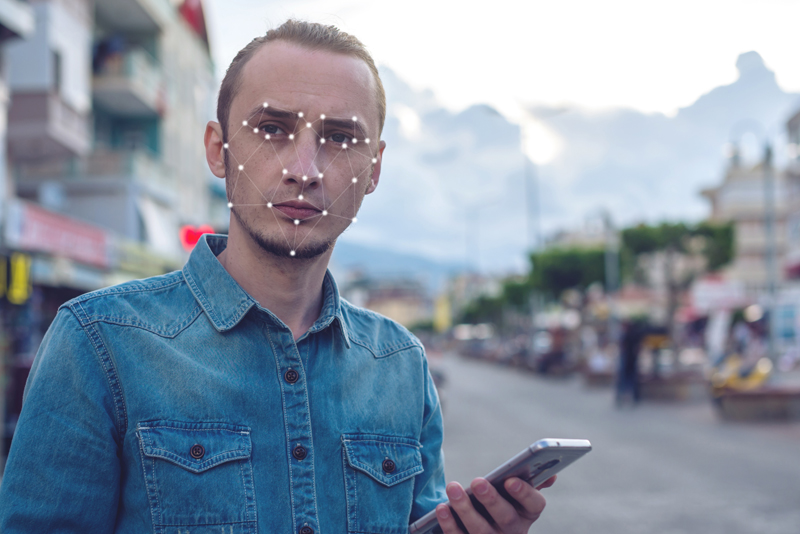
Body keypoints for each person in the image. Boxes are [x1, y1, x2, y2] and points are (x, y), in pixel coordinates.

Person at [0, 20, 553, 534]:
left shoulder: (401, 365)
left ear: (375, 169)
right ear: (219, 149)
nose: (305, 169)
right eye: (271, 128)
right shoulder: (100, 345)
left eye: (339, 138)